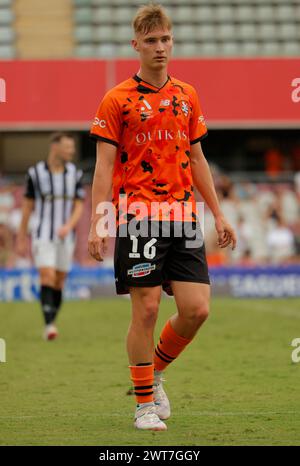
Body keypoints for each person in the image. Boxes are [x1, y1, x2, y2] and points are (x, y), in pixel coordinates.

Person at [88, 3, 236, 431]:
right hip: (138, 217)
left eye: (165, 39)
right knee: (147, 310)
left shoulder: (187, 95)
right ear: (135, 45)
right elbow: (103, 167)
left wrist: (219, 214)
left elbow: (198, 157)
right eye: (150, 41)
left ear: (173, 41)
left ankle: (152, 373)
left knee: (197, 310)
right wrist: (101, 221)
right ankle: (143, 406)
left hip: (183, 216)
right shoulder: (116, 99)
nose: (159, 47)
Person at [16, 132, 85, 340]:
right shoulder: (35, 173)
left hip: (66, 235)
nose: (71, 151)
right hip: (42, 233)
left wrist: (69, 225)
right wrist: (21, 236)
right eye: (68, 147)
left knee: (59, 281)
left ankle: (51, 318)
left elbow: (79, 205)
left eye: (72, 148)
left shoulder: (75, 173)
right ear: (55, 147)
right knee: (47, 276)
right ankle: (49, 326)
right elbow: (27, 206)